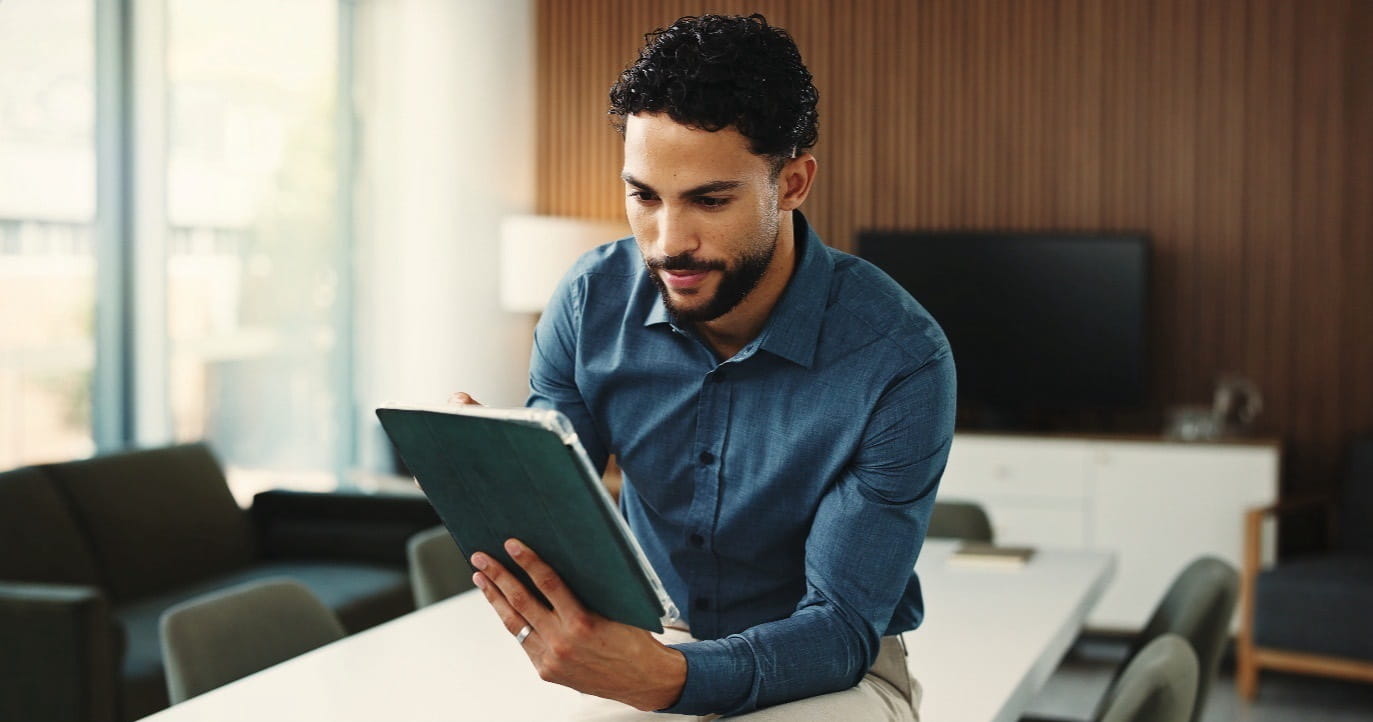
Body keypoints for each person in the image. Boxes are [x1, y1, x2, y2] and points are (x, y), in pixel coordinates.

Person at [456, 13, 955, 720]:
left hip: (832, 668)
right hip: (652, 635)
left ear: (792, 183)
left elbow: (840, 630)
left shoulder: (899, 359)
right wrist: (484, 481)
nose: (667, 242)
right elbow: (556, 518)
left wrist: (671, 679)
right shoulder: (587, 303)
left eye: (710, 201)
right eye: (644, 196)